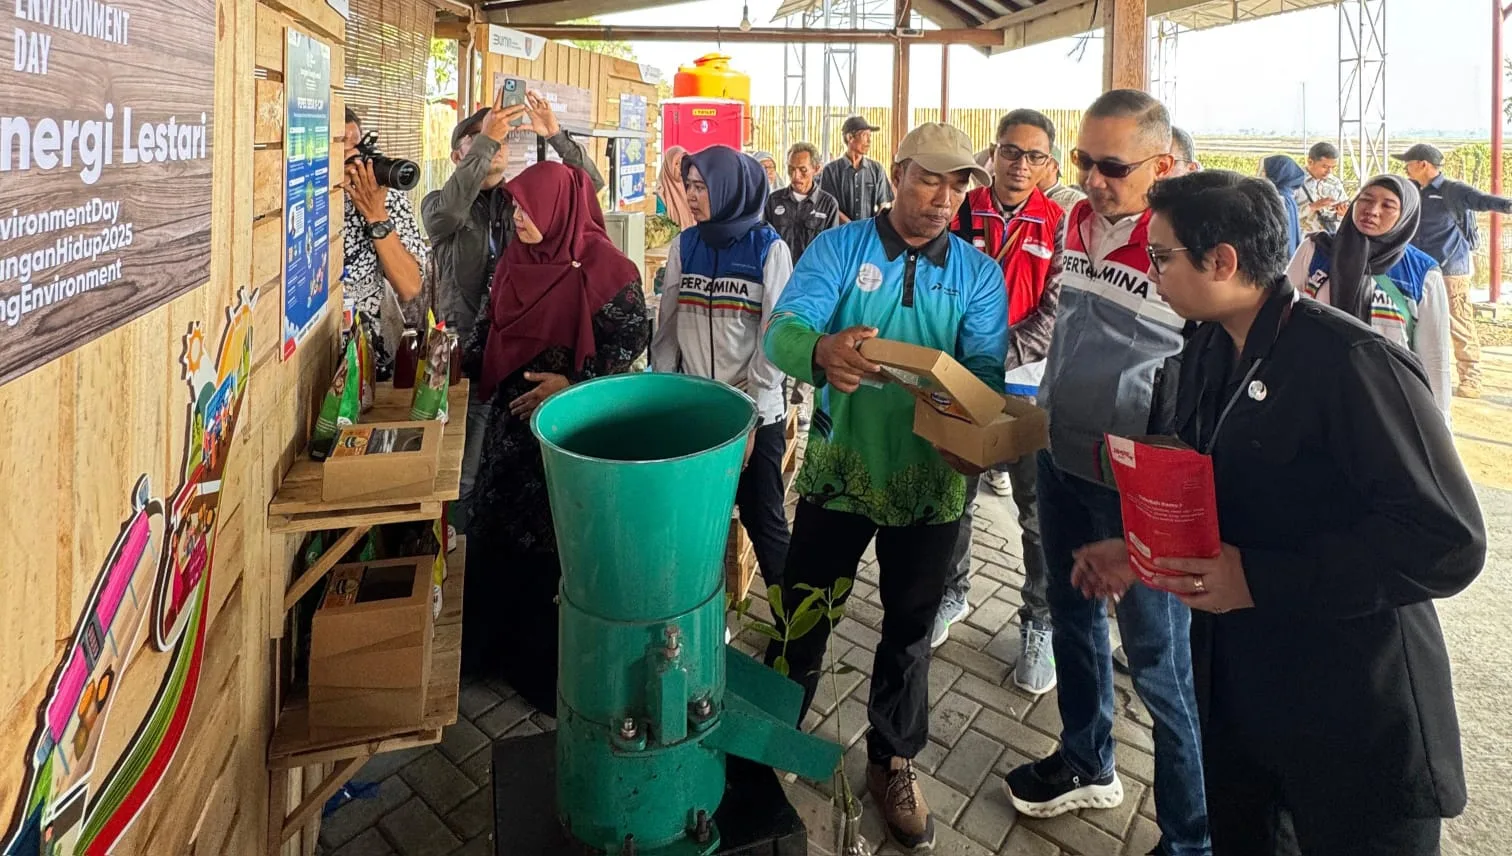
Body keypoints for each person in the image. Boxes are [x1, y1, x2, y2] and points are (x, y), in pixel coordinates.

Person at [1075, 169, 1484, 856]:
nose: (1152, 273)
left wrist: (1261, 579)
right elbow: (1215, 481)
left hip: (1352, 710)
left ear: (1224, 261)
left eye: (1162, 256)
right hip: (1244, 696)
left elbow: (1446, 542)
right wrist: (1143, 547)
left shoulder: (1353, 363)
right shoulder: (1207, 343)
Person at [763, 123, 1004, 851]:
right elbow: (785, 330)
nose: (943, 197)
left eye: (958, 184)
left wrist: (981, 435)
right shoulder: (840, 248)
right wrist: (821, 352)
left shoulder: (977, 273)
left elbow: (985, 373)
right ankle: (772, 740)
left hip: (932, 489)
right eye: (929, 178)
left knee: (908, 631)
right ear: (897, 173)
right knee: (803, 614)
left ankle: (892, 761)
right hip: (839, 473)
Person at [1000, 90, 1211, 856]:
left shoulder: (1194, 244)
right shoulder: (1076, 222)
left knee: (1161, 668)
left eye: (1112, 166)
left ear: (1165, 163)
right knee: (1073, 621)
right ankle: (1088, 761)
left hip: (1143, 490)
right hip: (1065, 461)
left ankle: (1191, 834)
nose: (1091, 178)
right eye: (1084, 161)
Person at [460, 162, 650, 709]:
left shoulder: (608, 270)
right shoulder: (512, 262)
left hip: (566, 434)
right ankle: (486, 651)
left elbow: (629, 345)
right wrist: (463, 361)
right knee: (495, 534)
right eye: (515, 206)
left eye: (526, 207)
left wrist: (572, 387)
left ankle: (541, 668)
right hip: (508, 431)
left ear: (558, 209)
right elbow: (486, 327)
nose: (517, 216)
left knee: (552, 543)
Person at [423, 86, 603, 531]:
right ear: (457, 156)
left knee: (518, 468)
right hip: (468, 359)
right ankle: (459, 556)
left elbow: (589, 189)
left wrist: (556, 136)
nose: (495, 145)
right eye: (483, 138)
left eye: (502, 138)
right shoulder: (440, 205)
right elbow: (445, 215)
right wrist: (484, 142)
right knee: (461, 469)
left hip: (522, 357)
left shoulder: (520, 202)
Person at [936, 109, 1067, 700]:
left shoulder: (1060, 223)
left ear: (1048, 165)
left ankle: (1038, 622)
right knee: (953, 496)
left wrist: (992, 357)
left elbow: (1055, 310)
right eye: (1010, 152)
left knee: (1036, 517)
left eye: (1033, 156)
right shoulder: (960, 210)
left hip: (1027, 390)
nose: (1019, 165)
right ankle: (952, 592)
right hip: (957, 383)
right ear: (992, 154)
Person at [650, 146, 794, 588]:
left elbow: (775, 342)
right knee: (695, 524)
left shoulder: (768, 250)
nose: (692, 196)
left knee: (763, 522)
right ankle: (704, 620)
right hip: (697, 412)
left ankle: (792, 637)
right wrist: (664, 392)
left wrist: (747, 417)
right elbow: (668, 328)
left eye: (702, 187)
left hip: (756, 417)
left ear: (730, 189)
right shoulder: (686, 245)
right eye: (689, 186)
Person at [1287, 175, 1452, 420]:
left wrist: (1439, 421)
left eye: (1388, 205)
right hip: (1315, 387)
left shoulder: (1422, 273)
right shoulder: (1316, 251)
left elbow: (1434, 356)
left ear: (1405, 214)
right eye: (1365, 199)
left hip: (1387, 398)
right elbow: (1284, 314)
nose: (1372, 211)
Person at [1397, 142, 1512, 399]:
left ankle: (1471, 377)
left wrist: (1508, 206)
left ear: (1423, 164)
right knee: (1415, 322)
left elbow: (1483, 201)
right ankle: (1417, 375)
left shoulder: (1453, 190)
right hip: (1418, 270)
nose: (1406, 167)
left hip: (1451, 270)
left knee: (1459, 322)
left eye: (1409, 162)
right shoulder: (1411, 191)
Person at [341, 106, 428, 370]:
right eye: (341, 149)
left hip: (371, 354)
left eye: (357, 146)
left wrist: (376, 216)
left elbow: (410, 285)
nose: (353, 158)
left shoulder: (385, 197)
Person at [765, 142, 841, 263]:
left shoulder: (828, 205)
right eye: (791, 169)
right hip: (780, 275)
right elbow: (765, 243)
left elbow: (831, 249)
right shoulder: (773, 201)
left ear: (816, 169)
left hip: (813, 276)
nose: (796, 176)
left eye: (803, 170)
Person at [819, 115, 895, 223]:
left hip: (870, 233)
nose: (869, 141)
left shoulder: (877, 169)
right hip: (841, 234)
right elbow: (829, 205)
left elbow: (884, 204)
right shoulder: (831, 171)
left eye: (870, 136)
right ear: (849, 137)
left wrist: (872, 227)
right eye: (864, 135)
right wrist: (852, 228)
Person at [1297, 141, 1349, 235]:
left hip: (1330, 239)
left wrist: (1343, 213)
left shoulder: (1335, 182)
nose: (1329, 171)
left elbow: (1345, 212)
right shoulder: (1294, 181)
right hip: (1302, 241)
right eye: (1325, 167)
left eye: (1333, 167)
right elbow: (1283, 216)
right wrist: (1313, 207)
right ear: (1310, 162)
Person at [1261, 155, 1305, 257]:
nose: (1262, 174)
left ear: (1277, 173)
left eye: (1265, 171)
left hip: (1281, 257)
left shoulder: (1278, 198)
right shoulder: (1288, 196)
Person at [656, 145, 698, 229]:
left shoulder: (690, 189)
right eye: (676, 163)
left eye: (682, 163)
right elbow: (660, 227)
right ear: (668, 166)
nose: (680, 168)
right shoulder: (660, 195)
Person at [1039, 142, 1087, 212]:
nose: (1035, 166)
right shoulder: (1023, 197)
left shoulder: (1075, 201)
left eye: (1042, 160)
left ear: (1055, 166)